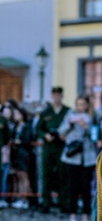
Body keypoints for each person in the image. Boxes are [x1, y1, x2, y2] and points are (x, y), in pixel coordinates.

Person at [59, 94, 97, 221]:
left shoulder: (93, 116)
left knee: (86, 187)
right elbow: (61, 131)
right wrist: (70, 123)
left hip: (88, 157)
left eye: (83, 104)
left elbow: (96, 135)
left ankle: (86, 215)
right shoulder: (70, 115)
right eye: (78, 104)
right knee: (73, 187)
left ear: (87, 105)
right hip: (72, 156)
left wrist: (87, 126)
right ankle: (73, 214)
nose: (80, 107)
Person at [37, 86, 70, 214]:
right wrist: (45, 135)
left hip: (61, 147)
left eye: (59, 95)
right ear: (52, 96)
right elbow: (38, 128)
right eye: (54, 95)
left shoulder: (67, 111)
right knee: (47, 175)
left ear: (62, 96)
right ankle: (46, 203)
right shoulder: (46, 112)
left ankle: (64, 203)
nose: (56, 98)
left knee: (63, 175)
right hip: (48, 147)